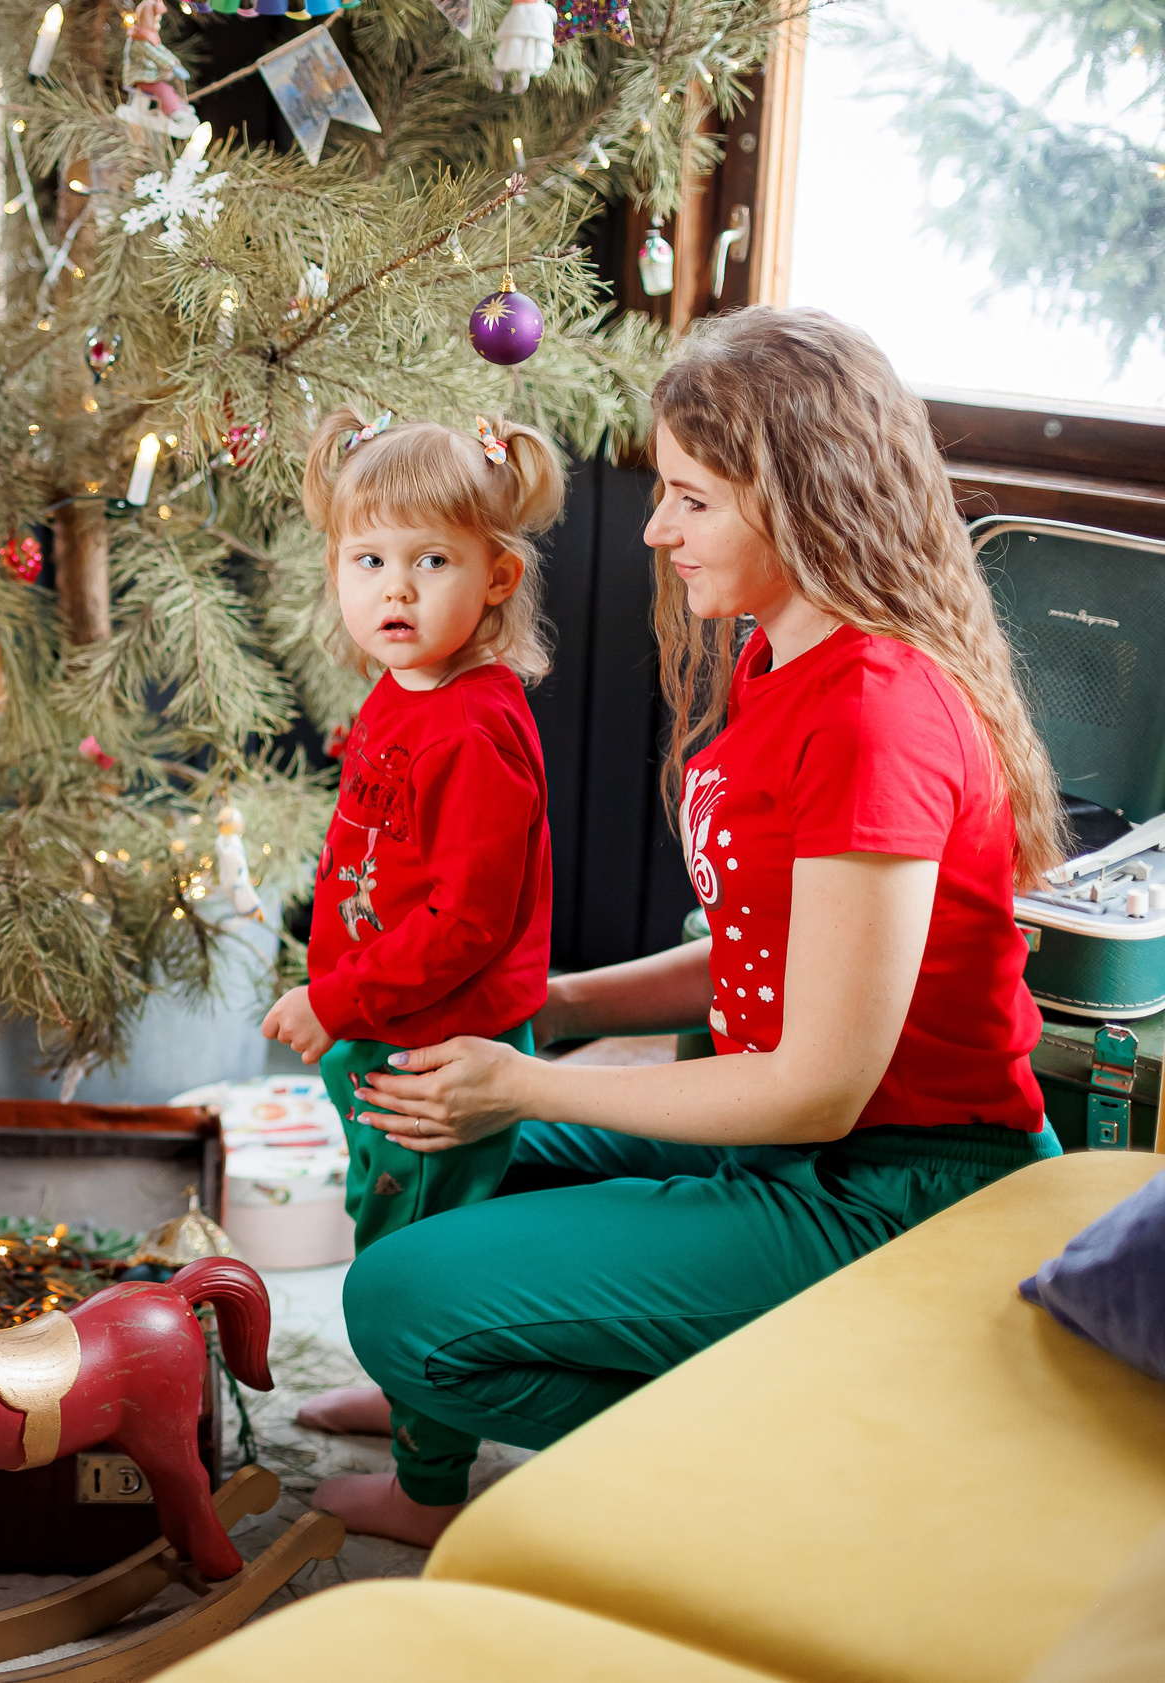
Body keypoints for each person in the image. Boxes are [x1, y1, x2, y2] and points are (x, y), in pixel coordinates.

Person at [297, 307, 1068, 1546]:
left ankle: (793, 1438)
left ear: (803, 497)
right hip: (798, 1153)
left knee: (399, 1295)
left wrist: (531, 1088)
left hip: (888, 1192)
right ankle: (434, 1401)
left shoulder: (875, 713)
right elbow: (772, 946)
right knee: (417, 1143)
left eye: (690, 499)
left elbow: (815, 1087)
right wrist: (557, 1007)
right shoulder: (780, 660)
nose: (655, 529)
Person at [261, 409, 565, 1524]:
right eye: (367, 560)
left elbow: (462, 924)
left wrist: (332, 997)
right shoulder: (404, 692)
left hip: (435, 1052)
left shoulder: (475, 728)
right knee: (378, 1216)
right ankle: (403, 1396)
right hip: (383, 1035)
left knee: (419, 1246)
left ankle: (430, 1484)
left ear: (495, 577)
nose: (394, 589)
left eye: (430, 561)